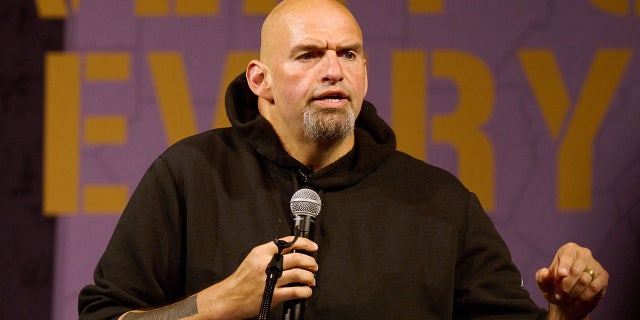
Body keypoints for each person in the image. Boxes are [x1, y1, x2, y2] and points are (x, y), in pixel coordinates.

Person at [78, 0, 609, 319]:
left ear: (365, 73)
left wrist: (566, 312)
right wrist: (217, 305)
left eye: (348, 54)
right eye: (309, 55)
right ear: (259, 79)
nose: (334, 70)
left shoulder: (442, 203)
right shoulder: (190, 175)